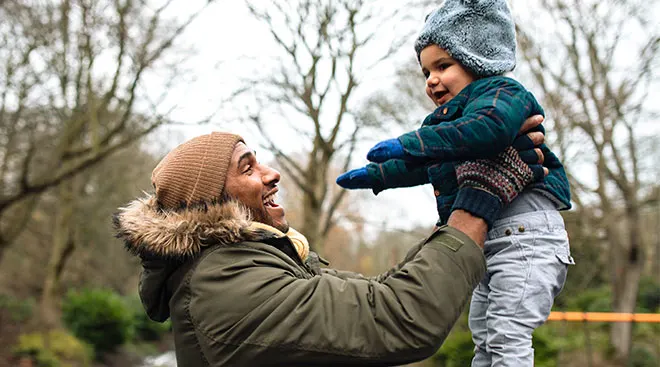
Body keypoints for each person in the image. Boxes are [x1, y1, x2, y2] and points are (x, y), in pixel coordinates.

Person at [114, 128, 544, 366]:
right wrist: (479, 201)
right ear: (210, 202)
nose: (271, 174)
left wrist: (453, 209)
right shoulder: (225, 286)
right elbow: (399, 316)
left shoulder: (259, 262)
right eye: (247, 168)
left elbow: (379, 292)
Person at [336, 1, 575, 366]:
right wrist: (378, 175)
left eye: (443, 66)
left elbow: (489, 130)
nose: (431, 79)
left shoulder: (503, 95)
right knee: (483, 333)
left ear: (479, 58)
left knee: (507, 332)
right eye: (425, 72)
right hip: (487, 244)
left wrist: (410, 142)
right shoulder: (444, 127)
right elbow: (426, 164)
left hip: (528, 238)